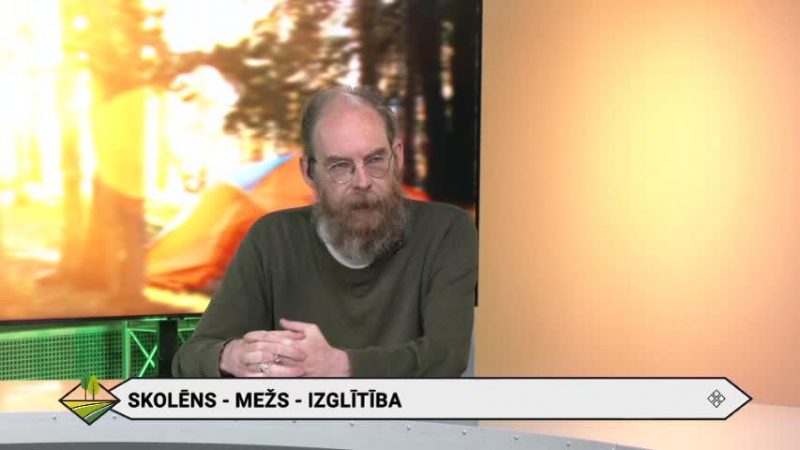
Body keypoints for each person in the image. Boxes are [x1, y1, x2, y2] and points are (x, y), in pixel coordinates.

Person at [172, 86, 477, 377]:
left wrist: (339, 365)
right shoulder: (272, 238)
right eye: (340, 166)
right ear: (309, 172)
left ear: (397, 157)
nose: (362, 182)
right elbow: (189, 358)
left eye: (375, 160)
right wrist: (233, 356)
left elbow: (446, 357)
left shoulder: (446, 230)